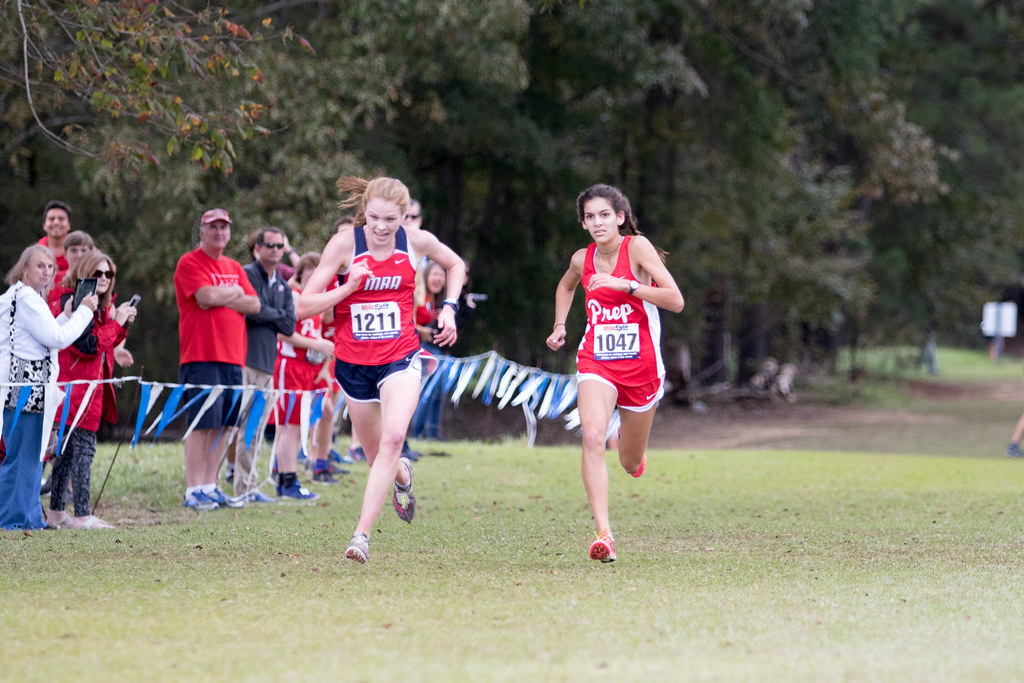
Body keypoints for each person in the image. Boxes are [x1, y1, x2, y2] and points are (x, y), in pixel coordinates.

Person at [298, 176, 465, 564]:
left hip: (401, 357)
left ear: (405, 216)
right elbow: (303, 307)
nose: (381, 227)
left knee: (393, 438)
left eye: (391, 219)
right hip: (354, 364)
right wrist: (346, 288)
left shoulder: (415, 242)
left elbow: (455, 264)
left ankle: (361, 537)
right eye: (373, 217)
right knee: (380, 461)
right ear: (364, 212)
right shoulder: (344, 246)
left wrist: (450, 308)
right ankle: (402, 476)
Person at [545, 183, 684, 563]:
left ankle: (629, 441)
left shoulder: (637, 249)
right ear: (584, 223)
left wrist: (628, 286)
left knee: (628, 462)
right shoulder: (581, 259)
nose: (597, 222)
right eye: (590, 216)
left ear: (620, 217)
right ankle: (604, 534)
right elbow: (565, 285)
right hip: (597, 361)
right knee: (591, 435)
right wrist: (560, 325)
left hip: (642, 368)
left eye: (605, 214)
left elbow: (676, 300)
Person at [0, 244, 96, 530]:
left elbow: (39, 337)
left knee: (28, 456)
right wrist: (84, 312)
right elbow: (56, 339)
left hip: (22, 388)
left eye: (51, 267)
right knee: (24, 457)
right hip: (25, 390)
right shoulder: (27, 298)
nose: (46, 271)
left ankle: (28, 517)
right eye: (40, 265)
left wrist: (66, 315)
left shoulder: (20, 297)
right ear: (24, 268)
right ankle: (15, 520)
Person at [173, 208, 260, 511]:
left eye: (224, 227)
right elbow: (204, 298)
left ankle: (210, 485)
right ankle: (193, 488)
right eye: (213, 227)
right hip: (201, 355)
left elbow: (253, 304)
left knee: (224, 425)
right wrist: (232, 292)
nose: (219, 232)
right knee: (201, 422)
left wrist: (226, 294)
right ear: (202, 231)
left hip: (233, 357)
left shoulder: (234, 266)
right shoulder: (189, 262)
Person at [46, 251, 136, 529]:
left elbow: (102, 345)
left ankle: (57, 512)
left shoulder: (97, 305)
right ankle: (82, 514)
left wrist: (121, 326)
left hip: (88, 391)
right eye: (97, 273)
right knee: (81, 451)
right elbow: (88, 347)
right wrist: (117, 324)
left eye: (108, 274)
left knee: (68, 454)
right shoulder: (70, 301)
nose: (104, 279)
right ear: (84, 272)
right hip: (74, 391)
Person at [222, 226, 299, 503]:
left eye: (280, 246)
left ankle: (248, 487)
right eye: (270, 245)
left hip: (267, 364)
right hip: (243, 359)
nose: (276, 251)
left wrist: (265, 312)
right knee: (234, 427)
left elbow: (289, 324)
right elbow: (247, 311)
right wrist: (271, 314)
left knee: (253, 430)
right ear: (258, 247)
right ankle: (214, 486)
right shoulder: (245, 274)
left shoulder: (281, 282)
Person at [274, 252, 337, 492]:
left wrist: (322, 362)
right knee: (289, 424)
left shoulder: (315, 301)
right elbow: (281, 332)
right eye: (309, 268)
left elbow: (316, 334)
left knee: (299, 424)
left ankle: (289, 476)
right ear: (300, 272)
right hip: (290, 365)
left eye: (317, 268)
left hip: (309, 367)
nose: (313, 272)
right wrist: (315, 345)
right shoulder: (293, 295)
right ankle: (286, 479)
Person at [410, 259, 447, 439]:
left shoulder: (436, 301)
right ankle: (415, 433)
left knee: (436, 392)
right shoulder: (420, 296)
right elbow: (408, 321)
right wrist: (421, 329)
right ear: (426, 277)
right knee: (425, 391)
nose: (438, 279)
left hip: (430, 349)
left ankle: (432, 433)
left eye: (441, 275)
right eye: (435, 274)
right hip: (416, 348)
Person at [38, 200, 73, 286]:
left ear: (69, 225)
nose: (56, 222)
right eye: (51, 219)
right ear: (44, 225)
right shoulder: (36, 251)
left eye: (61, 219)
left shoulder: (81, 248)